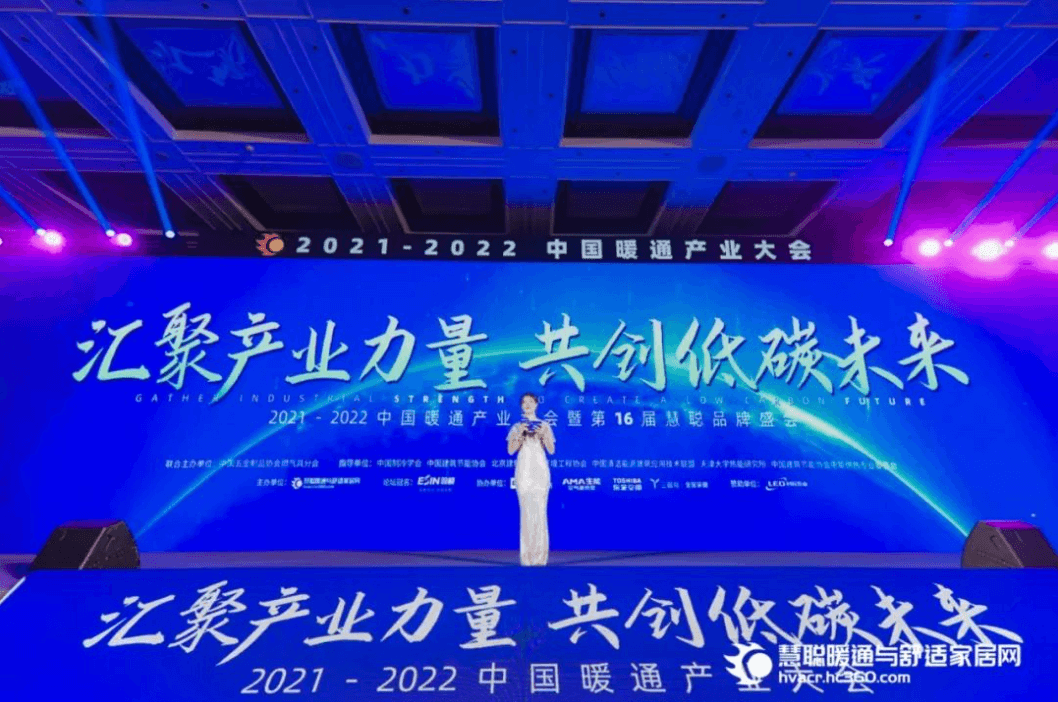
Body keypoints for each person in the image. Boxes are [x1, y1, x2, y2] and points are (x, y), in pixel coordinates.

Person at [506, 392, 555, 566]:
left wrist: (543, 435)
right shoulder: (516, 426)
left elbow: (551, 450)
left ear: (536, 404)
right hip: (524, 471)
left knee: (540, 512)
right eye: (524, 402)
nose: (527, 405)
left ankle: (540, 558)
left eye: (530, 402)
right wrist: (520, 434)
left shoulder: (545, 425)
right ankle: (527, 559)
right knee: (526, 513)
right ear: (521, 406)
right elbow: (511, 450)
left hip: (540, 471)